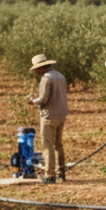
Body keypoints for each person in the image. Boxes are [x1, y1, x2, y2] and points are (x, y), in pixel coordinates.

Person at [28, 54, 68, 184]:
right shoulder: (60, 76)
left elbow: (44, 99)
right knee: (58, 144)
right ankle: (61, 172)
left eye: (36, 70)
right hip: (61, 114)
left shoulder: (46, 78)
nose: (36, 72)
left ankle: (50, 175)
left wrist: (33, 101)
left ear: (40, 68)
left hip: (49, 116)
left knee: (47, 145)